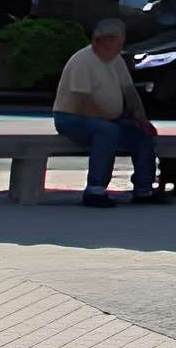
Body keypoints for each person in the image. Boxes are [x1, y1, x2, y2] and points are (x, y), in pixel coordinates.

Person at [50, 16, 168, 209]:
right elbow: (83, 104)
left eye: (120, 43)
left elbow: (130, 93)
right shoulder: (83, 60)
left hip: (108, 119)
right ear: (100, 41)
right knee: (107, 131)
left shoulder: (117, 60)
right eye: (113, 43)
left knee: (141, 135)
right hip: (72, 118)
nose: (117, 48)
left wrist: (141, 118)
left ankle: (144, 189)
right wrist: (113, 120)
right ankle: (95, 190)